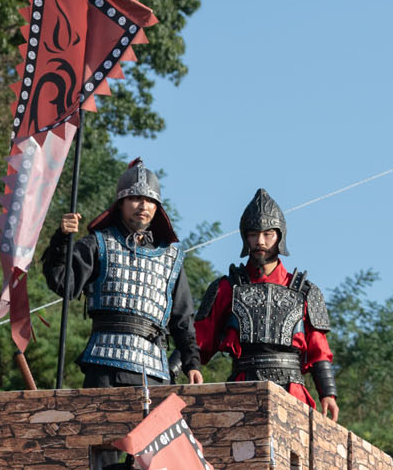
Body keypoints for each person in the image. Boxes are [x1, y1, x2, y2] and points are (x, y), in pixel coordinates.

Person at [41, 161, 203, 388]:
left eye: (149, 200)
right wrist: (62, 241)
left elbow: (183, 319)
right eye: (135, 198)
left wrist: (192, 362)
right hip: (104, 365)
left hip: (154, 371)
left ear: (157, 207)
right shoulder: (99, 244)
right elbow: (63, 283)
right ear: (120, 203)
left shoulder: (171, 257)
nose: (143, 205)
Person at [194, 188, 339, 419]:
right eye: (253, 234)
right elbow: (200, 339)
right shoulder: (227, 287)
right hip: (243, 390)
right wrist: (173, 369)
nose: (260, 241)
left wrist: (328, 393)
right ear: (245, 237)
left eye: (268, 234)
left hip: (293, 394)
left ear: (280, 236)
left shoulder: (305, 291)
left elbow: (318, 348)